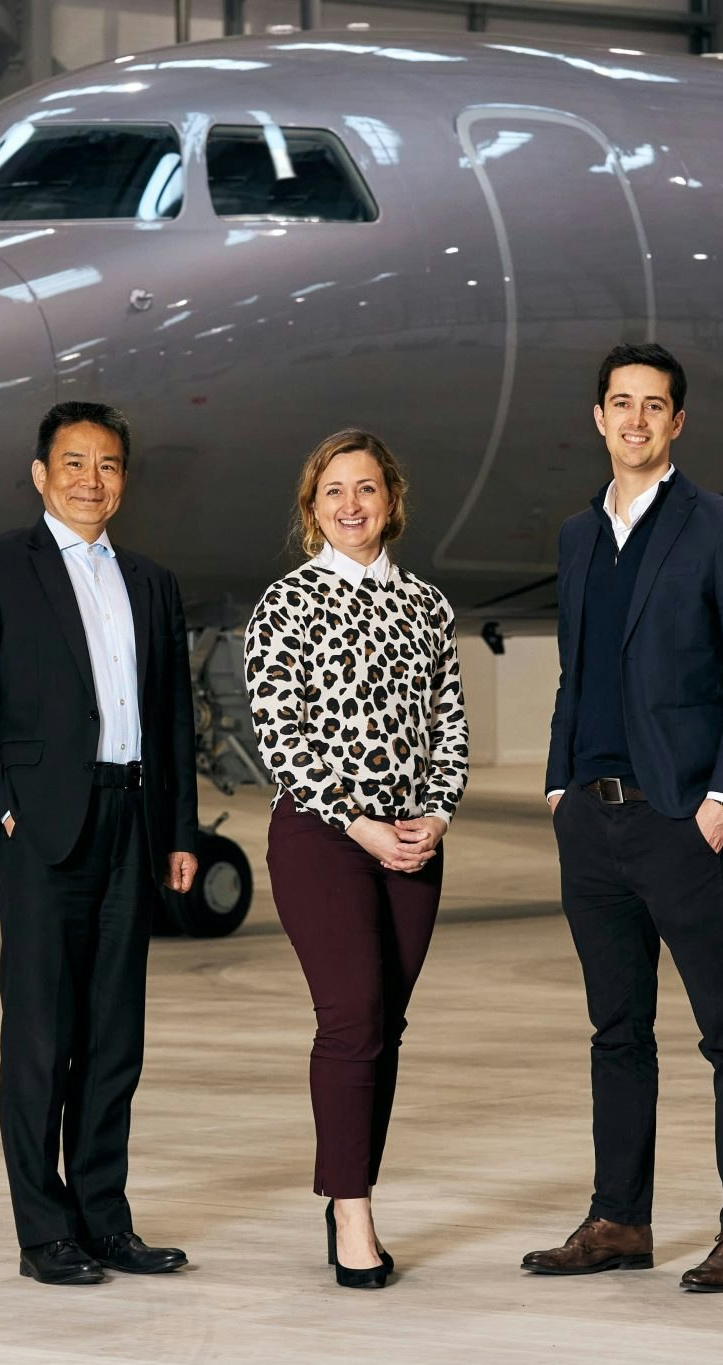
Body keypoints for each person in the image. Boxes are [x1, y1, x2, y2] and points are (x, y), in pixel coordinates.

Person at [522, 343, 723, 1293]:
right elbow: (574, 673)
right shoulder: (576, 535)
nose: (635, 420)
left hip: (684, 820)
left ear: (678, 423)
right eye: (620, 403)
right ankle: (619, 1218)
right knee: (616, 1031)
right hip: (591, 822)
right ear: (597, 416)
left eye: (655, 406)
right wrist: (558, 786)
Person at [0, 401, 200, 1287]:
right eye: (74, 462)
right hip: (44, 828)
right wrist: (3, 810)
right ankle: (43, 1231)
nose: (93, 478)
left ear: (125, 479)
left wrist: (180, 831)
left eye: (110, 464)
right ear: (41, 473)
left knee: (117, 1035)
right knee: (42, 1035)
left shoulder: (151, 582)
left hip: (130, 822)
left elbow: (169, 722)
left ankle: (103, 1218)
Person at [244, 429, 469, 1290]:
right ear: (313, 508)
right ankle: (353, 1213)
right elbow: (280, 734)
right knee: (351, 1016)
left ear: (391, 499)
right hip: (321, 835)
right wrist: (359, 822)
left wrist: (437, 812)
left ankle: (345, 1181)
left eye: (365, 489)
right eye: (333, 492)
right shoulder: (288, 604)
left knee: (386, 1026)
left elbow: (450, 721)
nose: (351, 505)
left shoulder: (428, 606)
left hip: (414, 840)